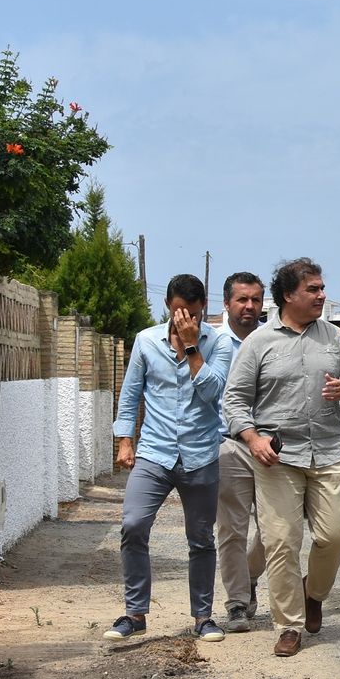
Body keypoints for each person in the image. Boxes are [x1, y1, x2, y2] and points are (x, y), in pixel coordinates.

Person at [223, 258, 340, 657]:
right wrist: (252, 438)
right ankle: (288, 625)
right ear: (289, 295)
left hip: (328, 452)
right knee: (282, 543)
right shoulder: (259, 342)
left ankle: (314, 594)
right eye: (314, 289)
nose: (323, 295)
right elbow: (235, 400)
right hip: (276, 457)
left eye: (322, 288)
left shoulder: (335, 339)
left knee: (333, 534)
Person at [106, 274, 233, 643]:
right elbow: (130, 396)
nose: (186, 320)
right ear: (168, 305)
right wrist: (125, 441)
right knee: (132, 524)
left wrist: (193, 348)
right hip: (154, 453)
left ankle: (203, 617)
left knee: (200, 539)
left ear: (203, 308)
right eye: (180, 312)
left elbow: (212, 393)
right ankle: (134, 613)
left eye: (193, 313)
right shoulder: (146, 341)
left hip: (200, 456)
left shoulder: (219, 343)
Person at [215, 272, 267, 633]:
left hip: (272, 448)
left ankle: (248, 575)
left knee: (277, 530)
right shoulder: (210, 343)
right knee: (231, 529)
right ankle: (236, 602)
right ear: (227, 304)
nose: (249, 307)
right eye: (242, 300)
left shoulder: (274, 340)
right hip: (229, 447)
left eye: (256, 300)